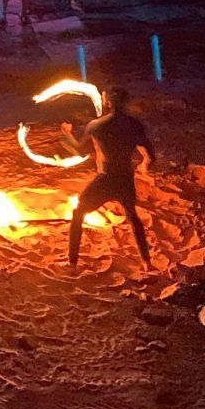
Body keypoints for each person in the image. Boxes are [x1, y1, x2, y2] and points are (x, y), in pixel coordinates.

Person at [70, 85, 155, 270]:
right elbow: (150, 155)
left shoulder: (96, 126)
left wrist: (66, 134)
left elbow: (78, 149)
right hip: (125, 177)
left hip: (106, 178)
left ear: (107, 102)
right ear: (126, 102)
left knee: (78, 213)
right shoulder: (135, 125)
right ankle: (147, 263)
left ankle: (72, 263)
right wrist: (143, 165)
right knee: (132, 217)